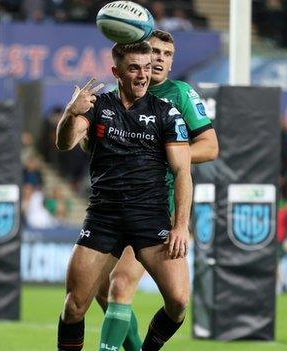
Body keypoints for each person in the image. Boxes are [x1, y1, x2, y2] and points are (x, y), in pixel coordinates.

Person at [55, 41, 192, 351]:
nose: (143, 75)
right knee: (74, 306)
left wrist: (180, 225)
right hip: (104, 217)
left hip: (150, 217)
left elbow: (183, 172)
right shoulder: (97, 106)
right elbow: (65, 143)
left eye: (147, 67)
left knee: (179, 301)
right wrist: (68, 114)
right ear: (116, 71)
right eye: (134, 68)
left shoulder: (166, 113)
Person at [94, 29, 218, 351]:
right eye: (155, 52)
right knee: (101, 288)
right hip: (117, 202)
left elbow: (210, 145)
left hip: (159, 206)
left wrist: (159, 150)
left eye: (167, 54)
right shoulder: (114, 95)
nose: (160, 59)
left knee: (134, 288)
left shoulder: (181, 94)